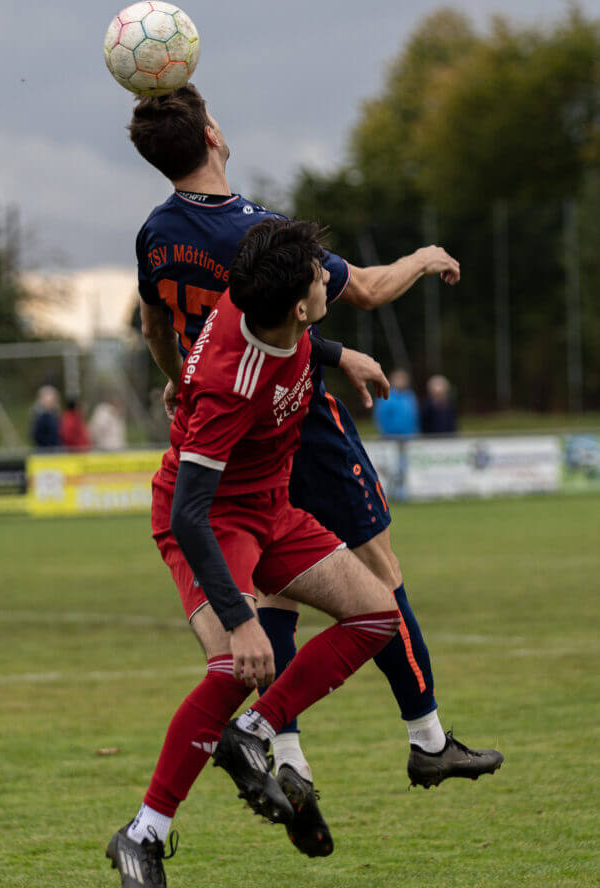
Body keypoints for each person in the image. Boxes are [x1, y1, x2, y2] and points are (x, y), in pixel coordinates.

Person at [127, 85, 498, 852]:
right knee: (375, 576)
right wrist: (424, 259)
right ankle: (425, 738)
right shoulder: (258, 233)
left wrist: (181, 379)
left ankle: (282, 754)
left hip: (233, 408)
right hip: (281, 420)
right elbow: (358, 287)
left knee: (277, 601)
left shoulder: (156, 233)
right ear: (213, 133)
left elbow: (157, 325)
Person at [373, 368, 420, 437]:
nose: (401, 381)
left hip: (409, 436)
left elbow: (415, 415)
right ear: (392, 380)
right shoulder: (385, 395)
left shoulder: (410, 396)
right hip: (390, 436)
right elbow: (380, 416)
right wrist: (383, 432)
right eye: (398, 379)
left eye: (403, 379)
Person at [30, 385, 61, 449]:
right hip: (45, 452)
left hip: (55, 451)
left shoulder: (55, 415)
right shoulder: (40, 416)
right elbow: (36, 436)